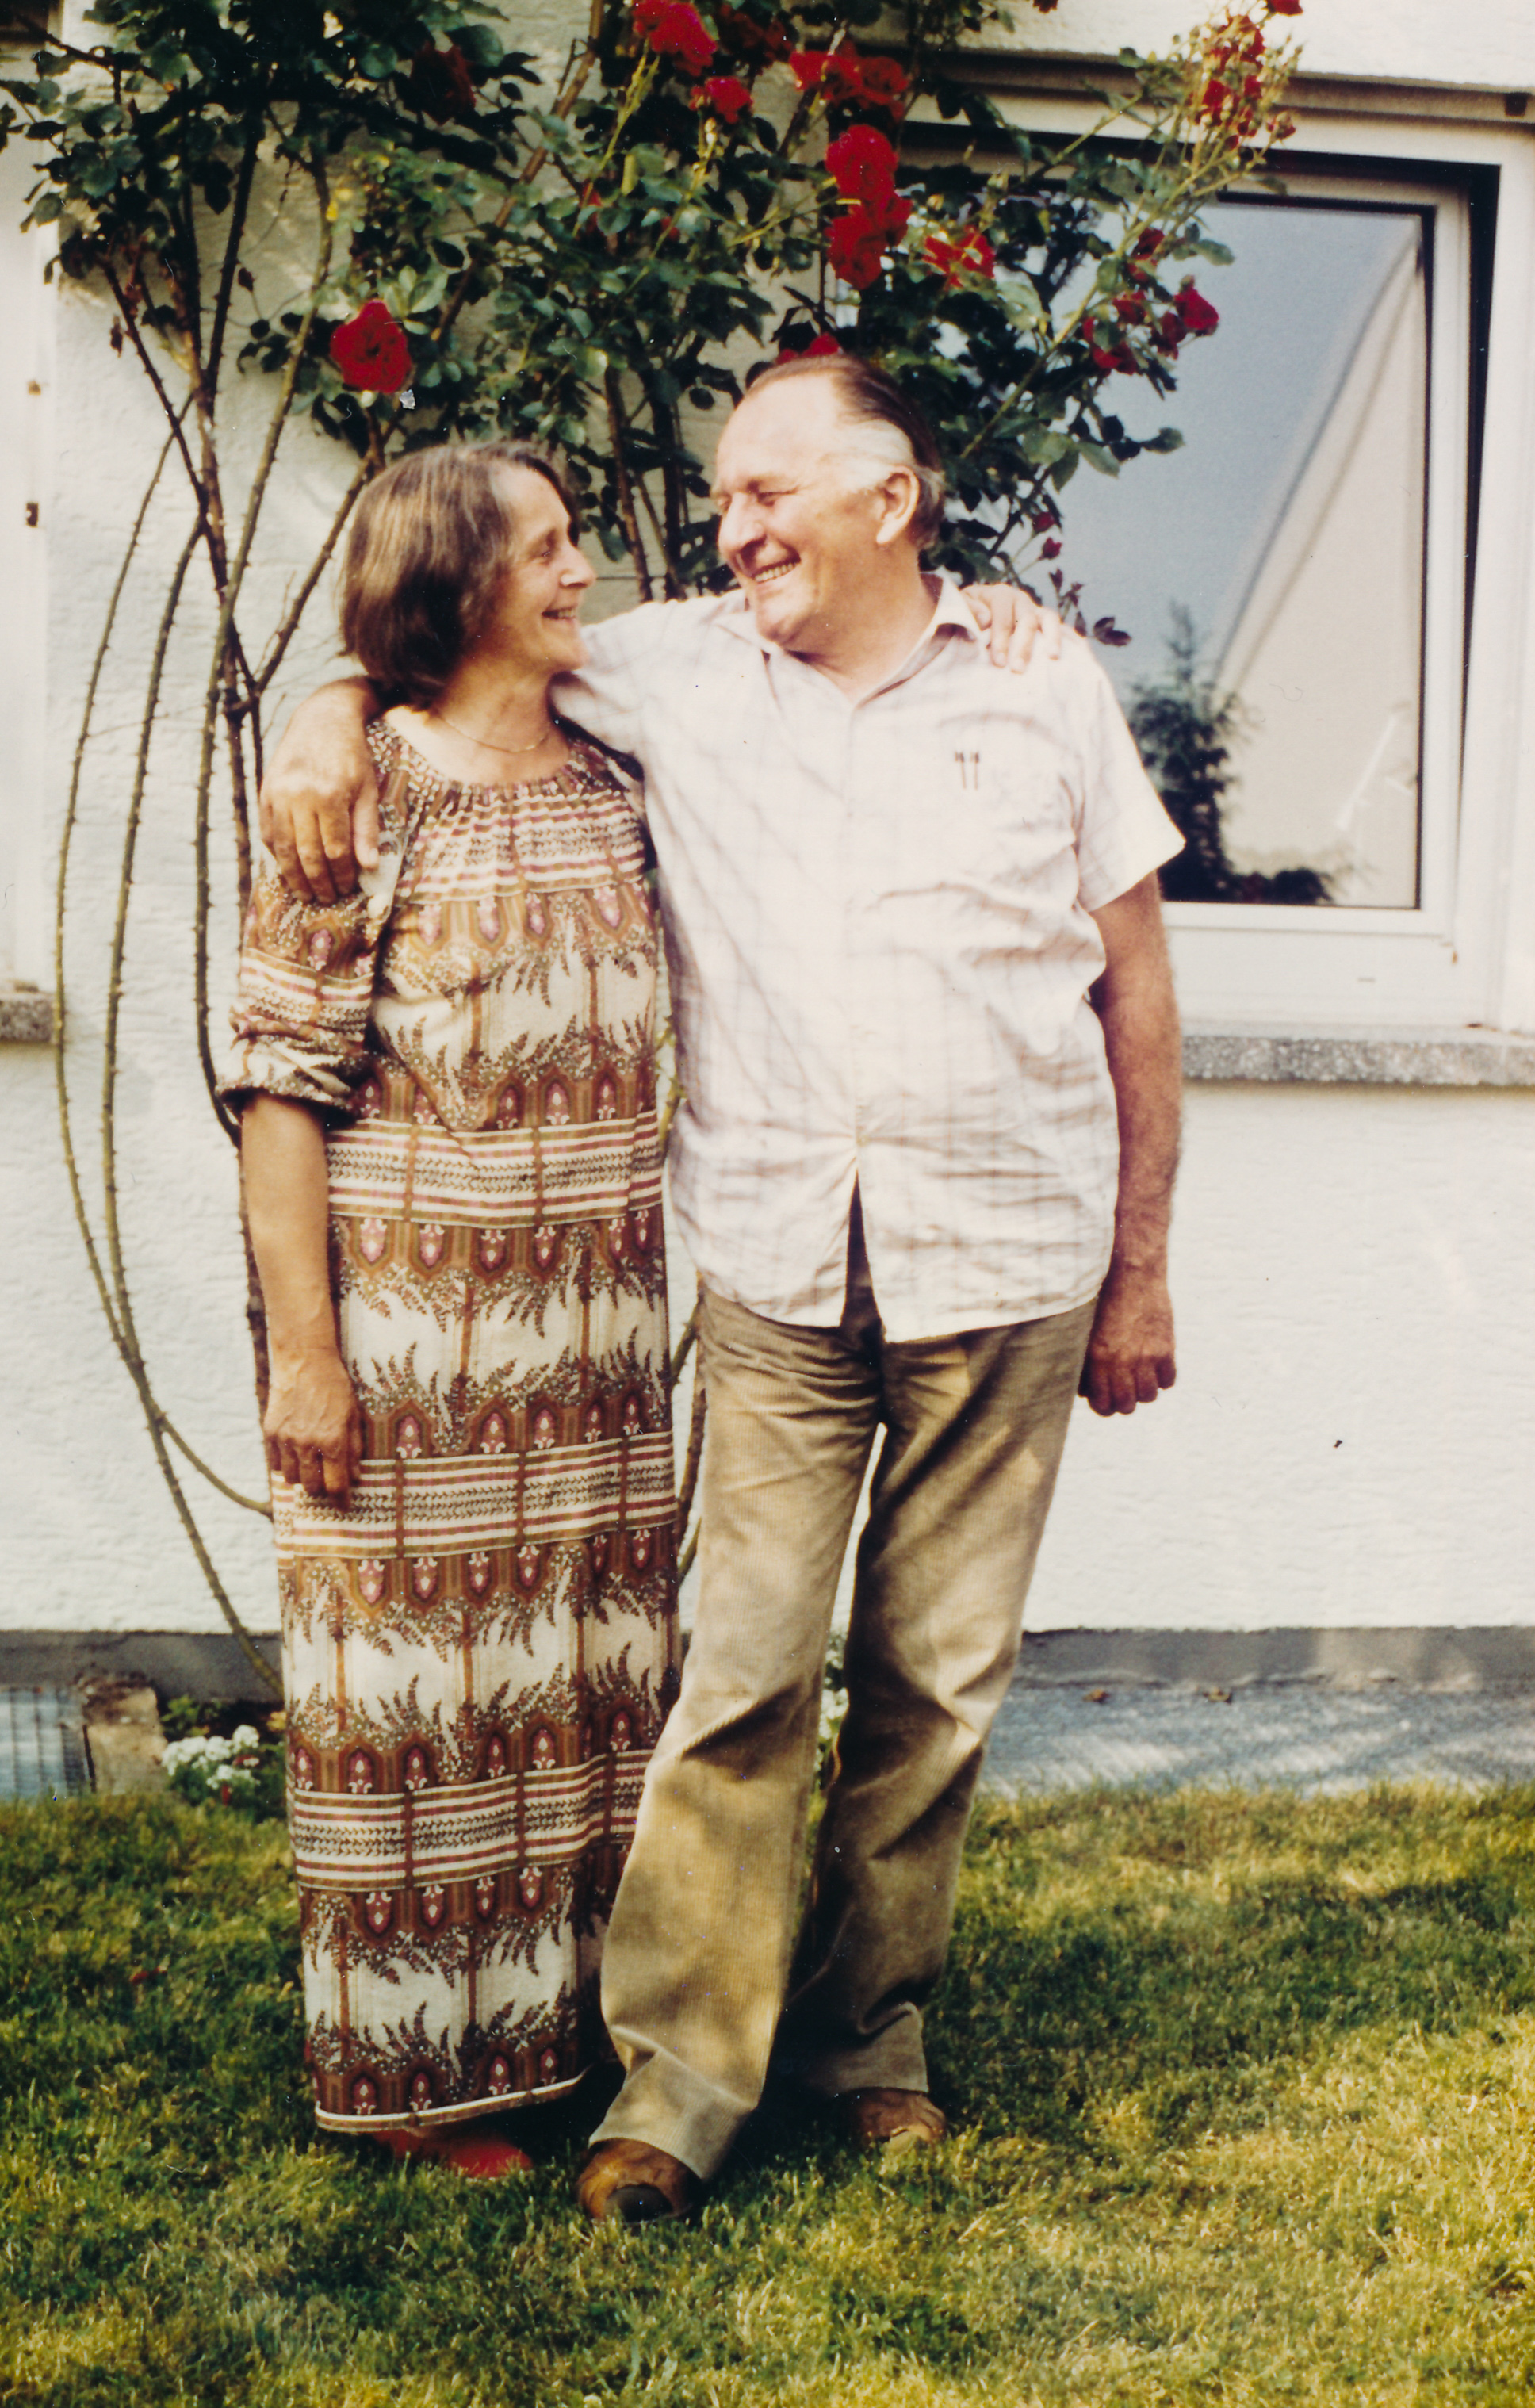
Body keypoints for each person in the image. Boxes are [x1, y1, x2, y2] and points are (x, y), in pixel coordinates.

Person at [259, 353, 1182, 2225]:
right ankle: (677, 2083)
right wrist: (322, 715)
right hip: (777, 1267)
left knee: (935, 1688)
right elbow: (430, 637)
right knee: (741, 1676)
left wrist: (1139, 1273)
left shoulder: (1042, 684)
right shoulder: (674, 667)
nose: (728, 528)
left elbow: (1137, 994)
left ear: (888, 501)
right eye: (724, 497)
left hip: (1010, 1260)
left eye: (767, 493)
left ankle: (868, 2043)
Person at [222, 440, 681, 2178]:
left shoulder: (622, 775)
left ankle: (563, 2042)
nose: (582, 570)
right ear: (458, 582)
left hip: (598, 1347)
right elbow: (282, 1091)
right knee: (412, 1701)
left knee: (580, 1687)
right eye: (547, 548)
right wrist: (308, 1356)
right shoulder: (361, 798)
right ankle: (418, 2083)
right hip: (414, 1345)